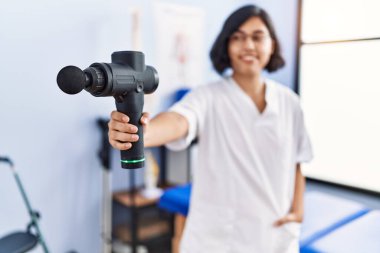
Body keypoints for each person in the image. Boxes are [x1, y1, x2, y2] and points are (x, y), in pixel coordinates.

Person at [108, 4, 313, 253]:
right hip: (218, 240)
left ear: (272, 45)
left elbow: (298, 161)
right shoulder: (207, 97)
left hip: (274, 237)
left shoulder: (289, 101)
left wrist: (298, 211)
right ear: (226, 46)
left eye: (257, 37)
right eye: (238, 37)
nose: (248, 45)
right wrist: (142, 133)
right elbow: (179, 121)